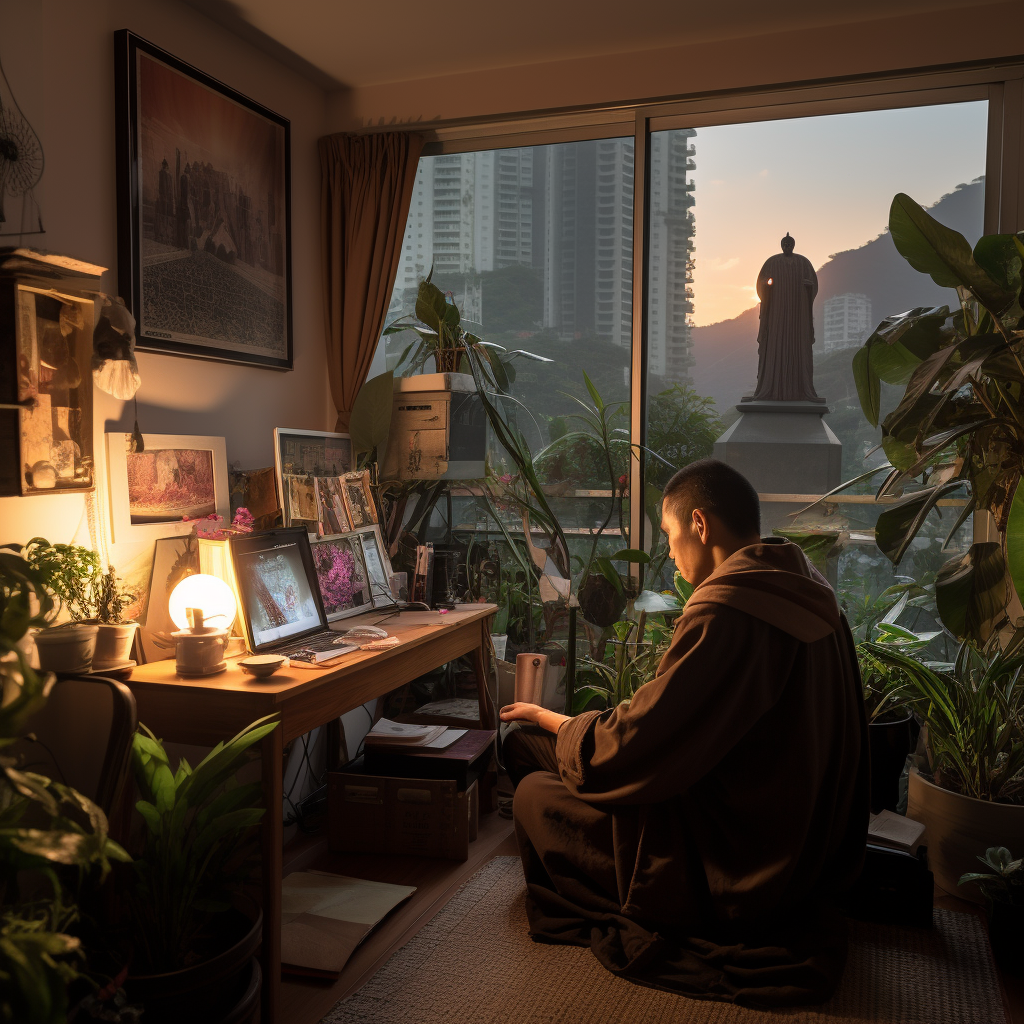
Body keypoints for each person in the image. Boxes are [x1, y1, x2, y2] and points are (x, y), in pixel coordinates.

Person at [500, 459, 868, 1008]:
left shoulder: (729, 609)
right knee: (532, 746)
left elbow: (636, 745)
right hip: (803, 835)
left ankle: (637, 894)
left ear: (700, 524)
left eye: (670, 536)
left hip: (733, 854)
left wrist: (553, 719)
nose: (669, 553)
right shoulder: (805, 586)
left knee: (530, 788)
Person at [750, 233, 821, 402]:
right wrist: (767, 286)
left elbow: (813, 285)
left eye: (790, 243)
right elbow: (761, 284)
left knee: (799, 346)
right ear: (781, 245)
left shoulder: (803, 263)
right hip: (777, 313)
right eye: (785, 243)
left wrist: (809, 287)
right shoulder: (772, 262)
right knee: (774, 345)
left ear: (793, 245)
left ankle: (800, 390)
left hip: (798, 315)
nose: (787, 246)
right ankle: (771, 388)